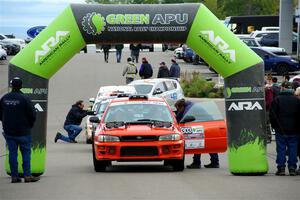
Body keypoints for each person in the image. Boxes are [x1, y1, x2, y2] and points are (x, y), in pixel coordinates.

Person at [0, 77, 40, 183]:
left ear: (11, 86)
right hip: (23, 131)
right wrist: (29, 125)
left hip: (9, 131)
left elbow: (0, 114)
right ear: (21, 86)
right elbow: (32, 114)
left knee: (12, 153)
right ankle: (27, 176)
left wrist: (5, 123)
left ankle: (14, 176)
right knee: (26, 153)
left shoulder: (4, 98)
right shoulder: (24, 98)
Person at [175, 99, 219, 169]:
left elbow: (184, 118)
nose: (179, 111)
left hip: (206, 124)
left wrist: (179, 124)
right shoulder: (187, 106)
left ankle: (197, 163)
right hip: (208, 123)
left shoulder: (189, 109)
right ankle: (215, 162)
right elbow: (179, 116)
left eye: (179, 109)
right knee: (205, 142)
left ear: (182, 106)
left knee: (197, 141)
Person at [270, 81, 300, 176]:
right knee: (293, 149)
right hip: (294, 129)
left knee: (281, 149)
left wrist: (275, 126)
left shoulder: (277, 100)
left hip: (280, 129)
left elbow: (272, 115)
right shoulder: (297, 100)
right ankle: (292, 168)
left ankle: (281, 168)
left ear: (282, 88)